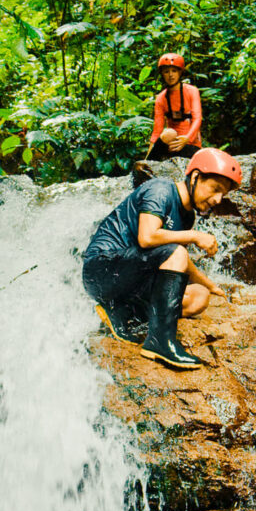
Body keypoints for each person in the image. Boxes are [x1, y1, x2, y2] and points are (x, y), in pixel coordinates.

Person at [83, 147, 241, 369]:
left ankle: (123, 312)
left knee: (199, 297)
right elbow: (147, 237)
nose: (217, 199)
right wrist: (195, 236)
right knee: (177, 252)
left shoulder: (187, 216)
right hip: (101, 271)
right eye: (215, 189)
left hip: (131, 279)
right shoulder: (161, 190)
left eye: (222, 195)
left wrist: (210, 286)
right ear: (195, 177)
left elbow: (178, 260)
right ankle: (159, 343)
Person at [147, 53, 203, 160]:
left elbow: (197, 119)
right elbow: (157, 131)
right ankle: (148, 165)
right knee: (169, 133)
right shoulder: (161, 98)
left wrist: (187, 138)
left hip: (190, 143)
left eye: (174, 71)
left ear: (180, 72)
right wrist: (148, 155)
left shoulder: (192, 91)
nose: (170, 75)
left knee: (170, 134)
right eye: (166, 71)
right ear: (162, 74)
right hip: (171, 144)